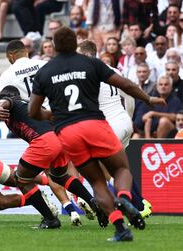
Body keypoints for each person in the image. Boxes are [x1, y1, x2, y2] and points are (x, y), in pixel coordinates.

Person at [29, 27, 166, 242]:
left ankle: (121, 228)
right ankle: (123, 197)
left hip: (68, 132)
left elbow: (32, 111)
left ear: (54, 46)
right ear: (75, 44)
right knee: (120, 169)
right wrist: (148, 99)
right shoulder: (91, 63)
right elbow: (127, 85)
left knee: (97, 183)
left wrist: (51, 116)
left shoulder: (45, 71)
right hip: (95, 124)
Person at [0, 86, 102, 226]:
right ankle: (93, 202)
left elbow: (6, 101)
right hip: (59, 138)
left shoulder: (12, 104)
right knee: (60, 176)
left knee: (20, 179)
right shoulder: (27, 105)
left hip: (44, 141)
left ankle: (50, 219)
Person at [77, 40, 152, 218]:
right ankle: (140, 203)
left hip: (108, 126)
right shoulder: (114, 71)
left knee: (101, 166)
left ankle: (130, 203)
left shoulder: (85, 74)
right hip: (124, 121)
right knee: (120, 167)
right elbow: (130, 96)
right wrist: (128, 118)